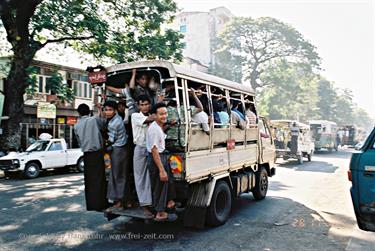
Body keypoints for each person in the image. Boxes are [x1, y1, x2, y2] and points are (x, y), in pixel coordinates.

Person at [146, 103, 177, 222]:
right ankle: (160, 213)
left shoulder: (158, 126)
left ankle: (168, 204)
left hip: (161, 157)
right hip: (157, 158)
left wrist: (169, 125)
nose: (164, 116)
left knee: (166, 183)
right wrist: (161, 170)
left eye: (165, 113)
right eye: (161, 114)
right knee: (160, 186)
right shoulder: (154, 129)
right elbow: (154, 150)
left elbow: (161, 134)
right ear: (154, 115)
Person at [74, 103, 108, 211]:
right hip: (97, 153)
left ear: (78, 113)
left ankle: (92, 204)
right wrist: (100, 110)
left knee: (89, 181)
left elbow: (79, 141)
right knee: (100, 179)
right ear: (89, 111)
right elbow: (104, 124)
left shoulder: (76, 125)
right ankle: (101, 203)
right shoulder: (94, 120)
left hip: (86, 154)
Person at [131, 95, 155, 216]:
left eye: (146, 104)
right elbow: (149, 119)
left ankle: (154, 204)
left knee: (153, 176)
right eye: (142, 105)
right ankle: (145, 205)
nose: (144, 107)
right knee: (141, 177)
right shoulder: (135, 116)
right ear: (138, 106)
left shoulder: (152, 116)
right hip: (140, 149)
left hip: (152, 149)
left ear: (149, 105)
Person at [103, 100, 129, 210]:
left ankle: (120, 201)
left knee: (118, 176)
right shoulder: (116, 118)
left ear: (115, 110)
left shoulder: (115, 123)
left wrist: (103, 141)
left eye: (110, 110)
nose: (107, 112)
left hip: (118, 150)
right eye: (106, 110)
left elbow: (110, 140)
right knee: (120, 175)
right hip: (121, 149)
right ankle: (125, 200)